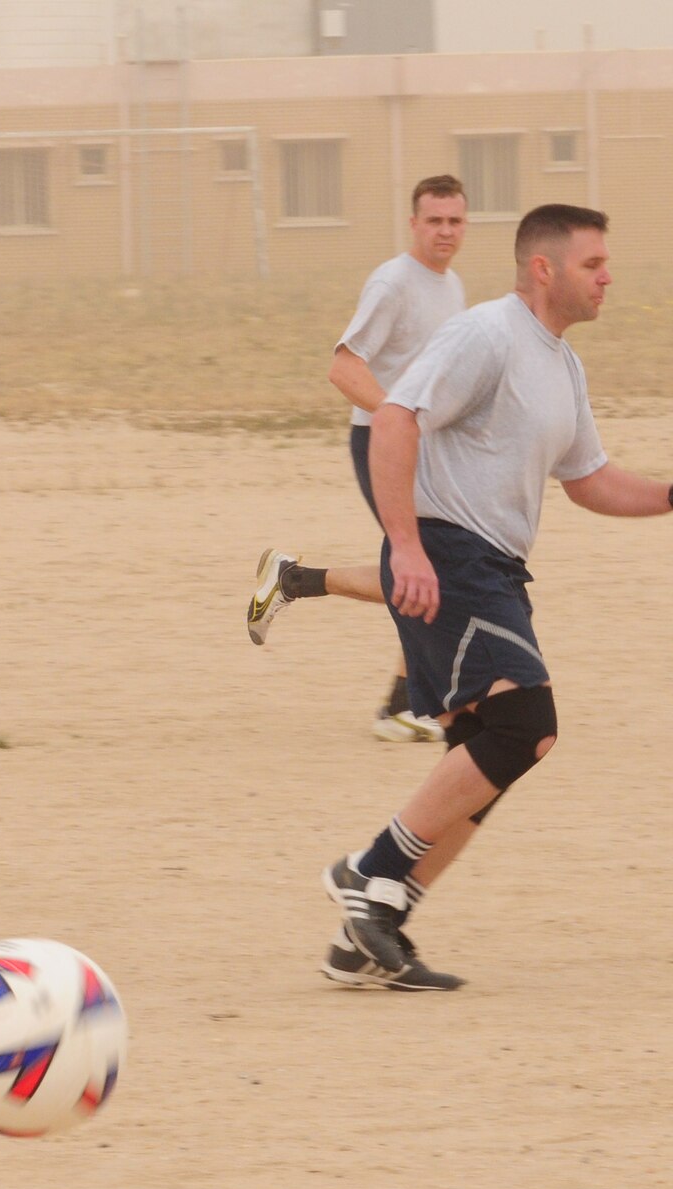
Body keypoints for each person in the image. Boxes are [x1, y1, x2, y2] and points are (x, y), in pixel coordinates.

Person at [320, 204, 672, 990]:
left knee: (483, 751)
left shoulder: (562, 363)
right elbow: (395, 419)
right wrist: (406, 545)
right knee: (526, 724)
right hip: (451, 554)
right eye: (593, 264)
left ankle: (367, 933)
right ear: (543, 269)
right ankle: (366, 871)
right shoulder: (486, 335)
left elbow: (589, 481)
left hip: (495, 568)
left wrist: (671, 496)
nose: (608, 275)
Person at [246, 177, 470, 743]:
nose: (445, 230)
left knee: (430, 571)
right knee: (425, 571)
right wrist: (399, 417)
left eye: (455, 221)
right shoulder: (394, 283)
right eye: (434, 220)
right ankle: (402, 703)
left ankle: (298, 584)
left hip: (424, 449)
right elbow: (344, 368)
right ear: (414, 223)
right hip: (383, 445)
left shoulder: (452, 286)